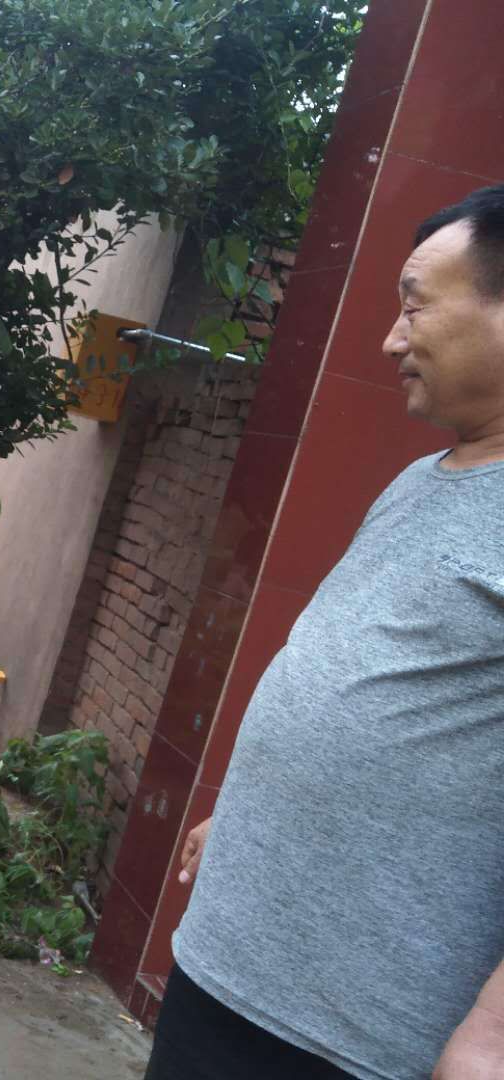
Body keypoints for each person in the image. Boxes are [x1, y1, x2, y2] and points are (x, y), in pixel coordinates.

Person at [146, 184, 504, 1080]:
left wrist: (494, 1033)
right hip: (228, 965)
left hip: (354, 1035)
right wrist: (252, 807)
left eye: (415, 303)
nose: (391, 339)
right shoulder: (423, 479)